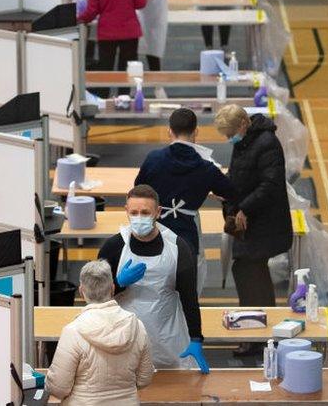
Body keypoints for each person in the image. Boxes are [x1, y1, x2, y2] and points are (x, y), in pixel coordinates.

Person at [97, 185, 209, 372]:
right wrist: (118, 284)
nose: (139, 217)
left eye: (145, 212)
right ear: (126, 211)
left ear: (158, 212)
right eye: (134, 212)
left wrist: (196, 338)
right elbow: (94, 297)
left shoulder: (178, 248)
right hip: (124, 337)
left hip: (167, 337)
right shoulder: (113, 248)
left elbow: (189, 298)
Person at [214, 105, 292, 348]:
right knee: (252, 272)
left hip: (263, 221)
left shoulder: (267, 143)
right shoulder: (245, 141)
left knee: (249, 272)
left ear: (243, 124)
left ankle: (257, 334)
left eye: (230, 133)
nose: (229, 139)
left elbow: (271, 184)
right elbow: (240, 173)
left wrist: (244, 207)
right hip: (250, 219)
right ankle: (258, 333)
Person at [46, 260, 154, 405]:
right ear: (113, 288)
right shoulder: (137, 327)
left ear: (81, 291)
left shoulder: (72, 332)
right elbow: (144, 379)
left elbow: (58, 387)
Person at [134, 108, 235, 255]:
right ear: (196, 131)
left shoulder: (153, 159)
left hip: (155, 233)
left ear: (169, 131)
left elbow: (138, 190)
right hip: (187, 236)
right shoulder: (206, 168)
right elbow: (230, 191)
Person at [78, 0, 147, 96]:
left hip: (107, 33)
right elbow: (141, 3)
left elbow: (92, 12)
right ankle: (124, 97)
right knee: (127, 68)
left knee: (106, 68)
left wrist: (78, 18)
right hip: (130, 32)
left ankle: (104, 99)